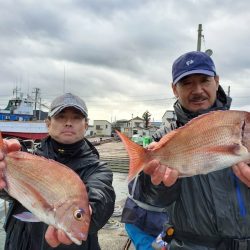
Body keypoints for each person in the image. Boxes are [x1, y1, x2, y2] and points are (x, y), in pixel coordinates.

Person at [122, 51, 250, 250]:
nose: (197, 90)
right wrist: (158, 184)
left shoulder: (237, 121)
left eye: (204, 80)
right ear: (174, 89)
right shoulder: (162, 138)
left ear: (216, 81)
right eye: (187, 83)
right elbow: (146, 201)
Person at [0, 92, 116, 250]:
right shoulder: (27, 157)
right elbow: (10, 192)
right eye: (61, 116)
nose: (68, 122)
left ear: (86, 125)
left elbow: (102, 194)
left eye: (76, 117)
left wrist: (89, 211)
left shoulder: (98, 169)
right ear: (48, 123)